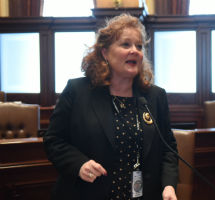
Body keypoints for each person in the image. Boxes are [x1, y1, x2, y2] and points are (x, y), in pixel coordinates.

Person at [43, 13, 178, 200]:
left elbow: (168, 150)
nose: (135, 51)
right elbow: (54, 140)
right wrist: (79, 164)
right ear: (105, 52)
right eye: (126, 44)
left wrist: (169, 186)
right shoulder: (78, 91)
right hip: (87, 193)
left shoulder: (155, 96)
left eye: (139, 46)